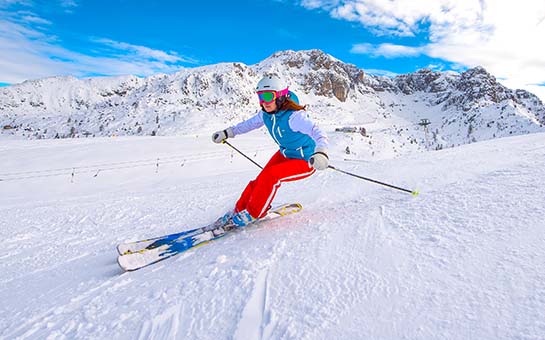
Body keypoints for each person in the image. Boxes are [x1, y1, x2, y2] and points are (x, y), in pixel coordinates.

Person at [212, 75, 329, 227]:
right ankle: (239, 209)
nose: (264, 102)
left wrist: (321, 153)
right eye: (260, 97)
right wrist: (227, 132)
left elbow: (317, 131)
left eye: (268, 96)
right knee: (260, 180)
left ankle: (254, 212)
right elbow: (248, 125)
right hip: (285, 154)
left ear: (280, 97)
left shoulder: (294, 117)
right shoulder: (266, 114)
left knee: (271, 176)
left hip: (306, 159)